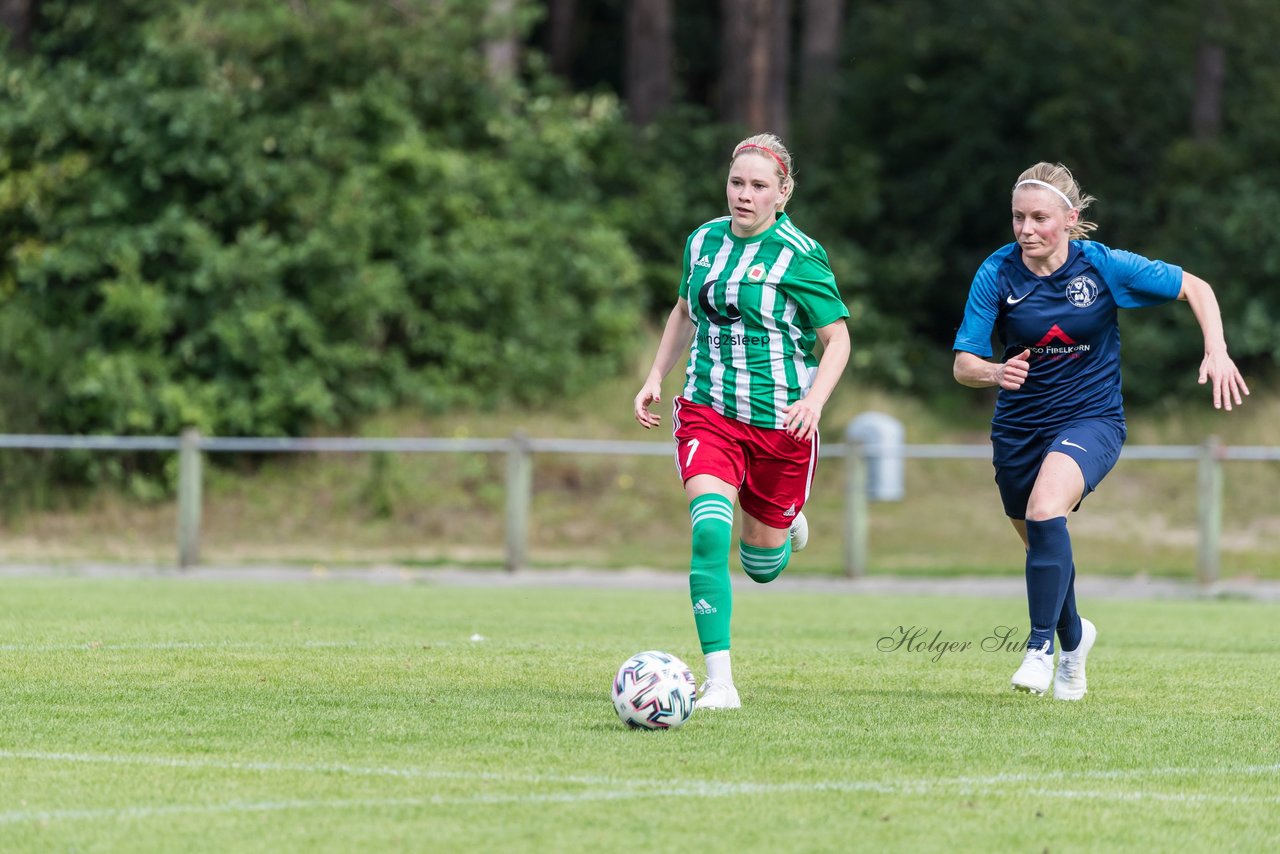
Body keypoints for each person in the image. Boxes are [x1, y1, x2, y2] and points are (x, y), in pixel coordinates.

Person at [952, 162, 1249, 700]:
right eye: (1018, 217)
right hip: (1018, 428)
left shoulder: (1103, 266)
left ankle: (1040, 648)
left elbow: (1196, 287)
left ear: (1070, 218)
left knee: (1046, 510)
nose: (1026, 230)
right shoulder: (996, 273)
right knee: (1041, 540)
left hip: (1092, 420)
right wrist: (996, 371)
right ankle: (1074, 639)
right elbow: (964, 364)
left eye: (1039, 218)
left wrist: (1217, 348)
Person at [632, 133, 851, 710]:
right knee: (708, 529)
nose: (744, 195)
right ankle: (720, 683)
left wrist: (814, 402)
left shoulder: (799, 254)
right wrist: (656, 375)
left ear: (783, 193)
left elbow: (838, 340)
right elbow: (683, 310)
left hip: (781, 425)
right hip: (709, 411)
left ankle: (787, 527)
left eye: (758, 186)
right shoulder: (702, 241)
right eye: (737, 183)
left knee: (760, 565)